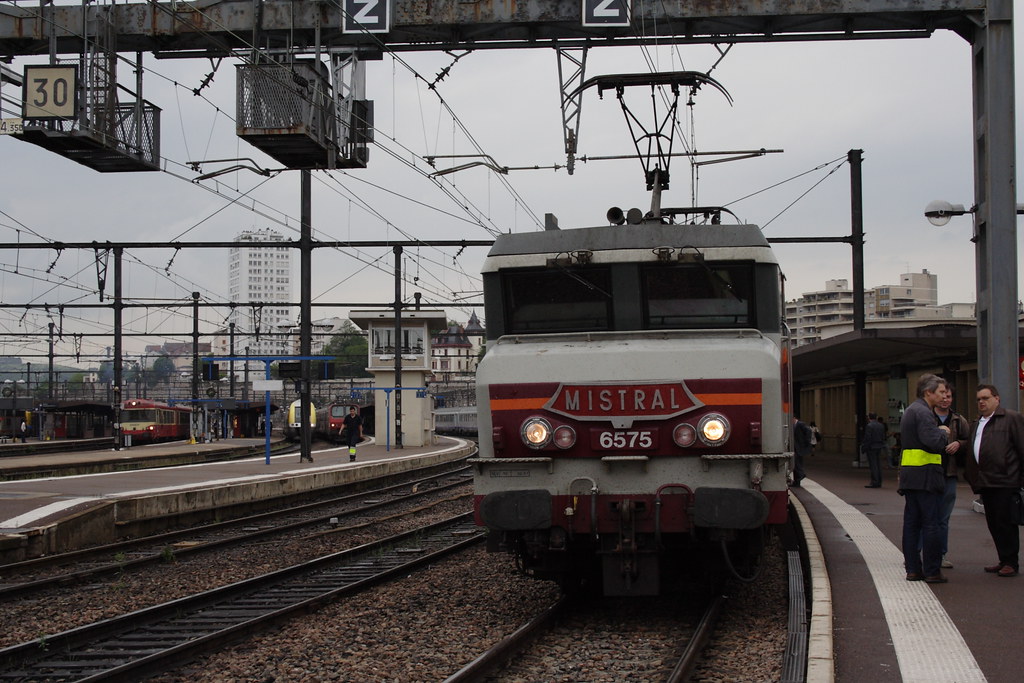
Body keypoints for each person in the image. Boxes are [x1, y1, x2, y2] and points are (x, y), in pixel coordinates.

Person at [964, 384, 1024, 578]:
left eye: (985, 398)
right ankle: (1003, 559)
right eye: (978, 399)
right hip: (985, 481)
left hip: (1005, 481)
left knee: (1006, 523)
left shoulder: (1011, 418)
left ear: (997, 399)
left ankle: (1011, 562)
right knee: (994, 523)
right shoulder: (977, 423)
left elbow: (1022, 447)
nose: (981, 402)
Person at [898, 373, 950, 584]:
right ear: (928, 392)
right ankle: (932, 571)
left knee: (911, 524)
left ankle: (913, 569)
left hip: (911, 477)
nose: (944, 396)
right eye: (941, 392)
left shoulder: (911, 410)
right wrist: (943, 432)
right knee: (931, 524)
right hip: (927, 478)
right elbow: (933, 442)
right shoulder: (924, 413)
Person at [933, 386, 970, 569]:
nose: (945, 399)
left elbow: (969, 441)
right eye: (942, 395)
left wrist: (959, 444)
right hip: (929, 474)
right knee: (924, 516)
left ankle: (940, 555)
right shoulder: (926, 417)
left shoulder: (958, 420)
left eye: (948, 396)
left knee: (943, 518)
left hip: (949, 474)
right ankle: (916, 554)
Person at [863, 413, 887, 488]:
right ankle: (879, 481)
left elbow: (868, 438)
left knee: (873, 465)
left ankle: (874, 481)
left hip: (871, 447)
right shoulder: (881, 425)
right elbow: (883, 436)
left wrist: (864, 447)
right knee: (878, 464)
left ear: (869, 418)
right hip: (879, 446)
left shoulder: (869, 426)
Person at [792, 417, 812, 487]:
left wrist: (806, 441)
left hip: (799, 447)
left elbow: (808, 431)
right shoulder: (794, 425)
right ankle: (797, 481)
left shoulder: (800, 424)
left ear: (794, 418)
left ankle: (801, 475)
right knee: (796, 463)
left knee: (797, 463)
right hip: (795, 447)